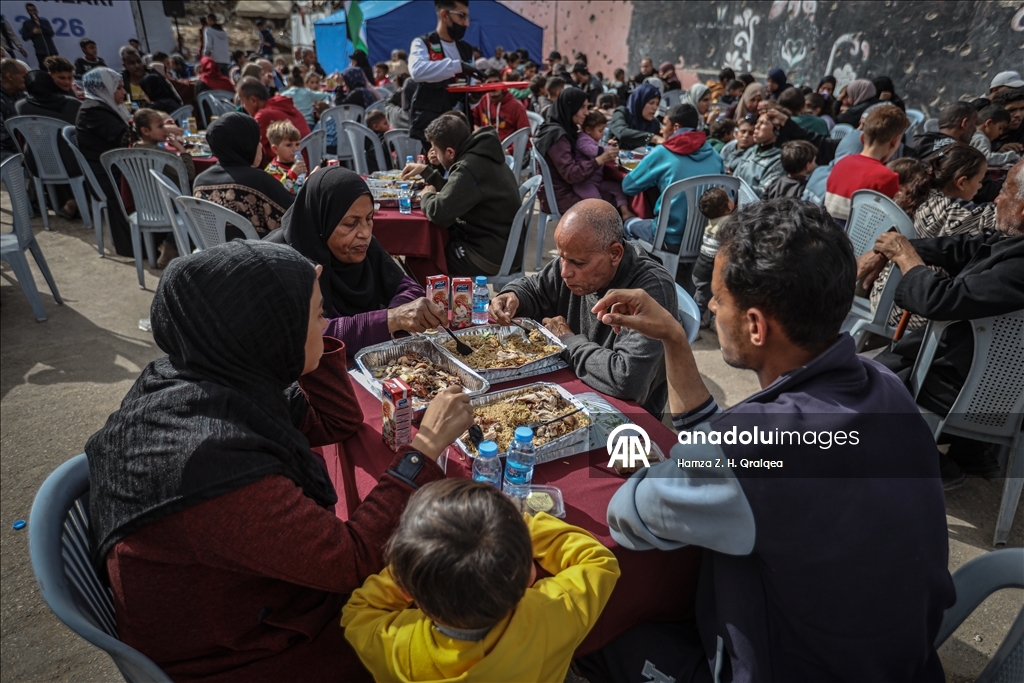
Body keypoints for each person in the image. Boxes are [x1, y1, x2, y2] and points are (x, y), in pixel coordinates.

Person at [581, 198, 954, 683]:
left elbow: (629, 516)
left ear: (756, 325)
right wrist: (674, 338)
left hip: (786, 667)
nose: (711, 307)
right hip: (900, 662)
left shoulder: (754, 448)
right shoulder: (885, 386)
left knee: (595, 628)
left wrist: (655, 468)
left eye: (719, 299)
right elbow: (736, 456)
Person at [87, 239, 474, 682]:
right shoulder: (211, 465)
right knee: (465, 622)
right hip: (247, 653)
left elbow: (336, 420)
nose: (327, 323)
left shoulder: (209, 372)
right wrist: (424, 448)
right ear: (268, 331)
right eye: (317, 315)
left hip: (249, 605)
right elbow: (353, 561)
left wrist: (303, 336)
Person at [342, 478, 620, 682]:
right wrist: (521, 526)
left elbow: (357, 611)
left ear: (407, 591)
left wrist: (410, 566)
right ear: (528, 575)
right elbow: (598, 560)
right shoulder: (552, 614)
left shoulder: (397, 650)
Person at [861, 161, 1024, 482]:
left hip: (981, 392)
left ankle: (931, 463)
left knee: (858, 390)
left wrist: (906, 257)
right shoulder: (1014, 242)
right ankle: (971, 450)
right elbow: (966, 247)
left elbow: (940, 301)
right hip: (979, 376)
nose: (996, 198)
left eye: (1005, 191)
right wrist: (894, 249)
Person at [491, 199, 676, 415]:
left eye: (578, 263)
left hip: (623, 416)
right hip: (577, 387)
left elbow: (627, 379)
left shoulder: (651, 290)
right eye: (561, 258)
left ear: (615, 253)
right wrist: (513, 295)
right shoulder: (573, 258)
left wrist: (567, 341)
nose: (564, 272)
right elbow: (535, 288)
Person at [266, 168, 448, 352]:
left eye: (369, 219)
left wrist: (398, 316)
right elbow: (311, 335)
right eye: (350, 224)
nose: (365, 233)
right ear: (322, 221)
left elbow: (410, 289)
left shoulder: (364, 247)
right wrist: (390, 320)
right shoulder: (282, 263)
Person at [400, 114, 521, 277]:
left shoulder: (469, 167)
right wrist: (427, 172)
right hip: (500, 245)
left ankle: (440, 295)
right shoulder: (481, 154)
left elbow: (439, 213)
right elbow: (460, 193)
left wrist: (426, 196)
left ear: (450, 152)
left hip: (488, 255)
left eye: (436, 151)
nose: (435, 156)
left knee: (420, 258)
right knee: (433, 242)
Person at [622, 103, 725, 252]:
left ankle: (643, 266)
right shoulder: (715, 156)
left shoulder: (662, 152)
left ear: (676, 127)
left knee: (627, 225)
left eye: (664, 124)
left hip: (668, 239)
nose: (661, 130)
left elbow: (628, 186)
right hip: (706, 238)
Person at [193, 112, 295, 235]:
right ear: (245, 145)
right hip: (261, 247)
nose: (261, 146)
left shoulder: (200, 182)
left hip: (215, 247)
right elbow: (295, 216)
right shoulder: (258, 180)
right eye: (257, 141)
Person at [533, 88, 624, 217]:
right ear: (570, 107)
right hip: (560, 196)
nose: (586, 113)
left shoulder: (562, 128)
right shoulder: (557, 136)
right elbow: (572, 175)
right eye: (582, 107)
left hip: (564, 190)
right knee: (613, 203)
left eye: (587, 107)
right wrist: (600, 160)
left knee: (615, 193)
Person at [75, 67, 135, 255]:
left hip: (116, 167)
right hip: (108, 175)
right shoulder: (93, 110)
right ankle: (140, 243)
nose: (124, 92)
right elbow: (125, 139)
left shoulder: (105, 107)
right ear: (105, 89)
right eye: (119, 88)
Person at [407, 0, 477, 146]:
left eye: (467, 17)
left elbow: (470, 94)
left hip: (461, 129)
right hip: (431, 129)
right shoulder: (423, 43)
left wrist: (478, 95)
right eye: (462, 16)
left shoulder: (466, 49)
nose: (466, 23)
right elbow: (417, 71)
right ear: (445, 15)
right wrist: (457, 66)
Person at [824, 104, 906, 225]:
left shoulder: (841, 164)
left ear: (862, 138)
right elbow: (887, 223)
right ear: (895, 141)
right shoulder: (887, 177)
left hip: (827, 232)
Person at [15, 69, 81, 216]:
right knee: (70, 153)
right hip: (74, 163)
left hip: (38, 164)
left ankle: (66, 201)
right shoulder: (73, 104)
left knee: (49, 154)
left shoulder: (21, 106)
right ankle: (76, 200)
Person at [910, 144, 995, 239]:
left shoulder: (924, 194)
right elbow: (998, 216)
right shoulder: (952, 212)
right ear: (962, 182)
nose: (980, 186)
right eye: (980, 181)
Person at [236, 76, 311, 167]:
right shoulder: (282, 104)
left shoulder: (263, 115)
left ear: (253, 100)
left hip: (291, 167)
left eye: (242, 101)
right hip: (309, 159)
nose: (242, 106)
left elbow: (251, 149)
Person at [691, 186, 733, 323]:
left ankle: (706, 320)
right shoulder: (727, 223)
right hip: (709, 271)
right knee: (701, 300)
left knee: (704, 297)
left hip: (701, 268)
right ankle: (691, 322)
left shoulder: (714, 221)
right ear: (728, 205)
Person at [731, 113, 784, 198]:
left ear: (777, 129)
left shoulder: (778, 160)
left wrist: (737, 188)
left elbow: (764, 193)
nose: (756, 126)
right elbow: (734, 179)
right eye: (757, 122)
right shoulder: (751, 151)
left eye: (762, 123)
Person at [472, 69, 530, 141]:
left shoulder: (516, 106)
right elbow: (473, 123)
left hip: (508, 147)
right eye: (489, 83)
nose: (493, 86)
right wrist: (479, 133)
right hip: (486, 144)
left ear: (502, 84)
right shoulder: (481, 101)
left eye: (496, 82)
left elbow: (526, 135)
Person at [608, 82, 662, 149]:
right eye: (651, 103)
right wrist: (651, 138)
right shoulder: (622, 113)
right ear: (639, 101)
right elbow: (622, 133)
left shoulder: (654, 123)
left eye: (657, 104)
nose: (655, 108)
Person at [263, 119, 307, 195]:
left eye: (297, 144)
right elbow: (280, 193)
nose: (295, 149)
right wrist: (292, 174)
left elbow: (299, 188)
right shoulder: (271, 171)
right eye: (289, 145)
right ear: (275, 149)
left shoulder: (296, 164)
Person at [991, 87, 1024, 153]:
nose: (1018, 114)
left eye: (1022, 109)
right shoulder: (986, 130)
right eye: (1011, 110)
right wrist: (998, 151)